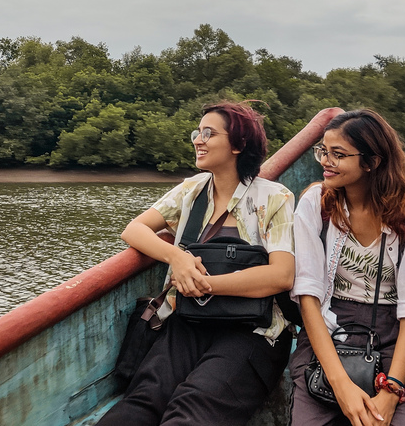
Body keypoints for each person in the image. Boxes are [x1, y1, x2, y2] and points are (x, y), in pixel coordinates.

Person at [99, 101, 296, 426]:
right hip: (190, 321)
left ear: (239, 144)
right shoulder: (190, 191)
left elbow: (281, 275)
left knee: (193, 408)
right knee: (141, 404)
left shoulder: (274, 197)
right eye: (197, 132)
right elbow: (133, 230)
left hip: (254, 332)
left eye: (209, 133)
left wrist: (206, 284)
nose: (198, 139)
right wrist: (178, 257)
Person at [290, 109, 405, 426]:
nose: (326, 162)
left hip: (395, 331)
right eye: (323, 152)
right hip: (329, 325)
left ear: (371, 162)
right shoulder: (315, 204)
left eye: (338, 155)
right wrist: (341, 385)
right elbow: (308, 297)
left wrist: (392, 390)